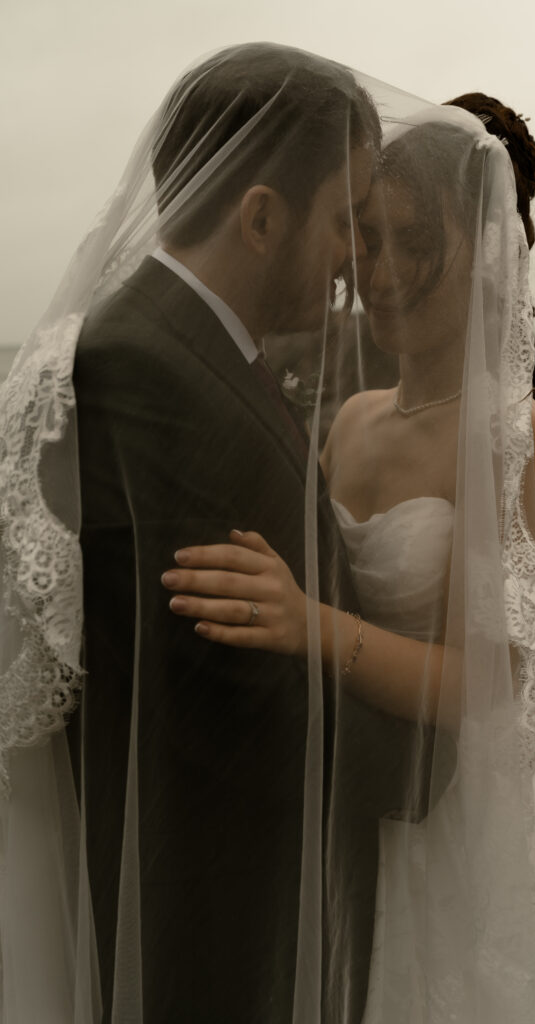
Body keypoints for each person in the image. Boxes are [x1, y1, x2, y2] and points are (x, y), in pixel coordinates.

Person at [164, 109, 535, 1020]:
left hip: (453, 817)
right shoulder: (354, 416)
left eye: (414, 241)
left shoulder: (512, 435)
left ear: (484, 254)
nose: (380, 271)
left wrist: (308, 625)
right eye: (365, 238)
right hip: (346, 785)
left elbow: (491, 687)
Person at [0, 46, 436, 1024]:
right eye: (341, 221)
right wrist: (432, 751)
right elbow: (225, 687)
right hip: (207, 915)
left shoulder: (188, 344)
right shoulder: (146, 369)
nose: (351, 264)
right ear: (261, 217)